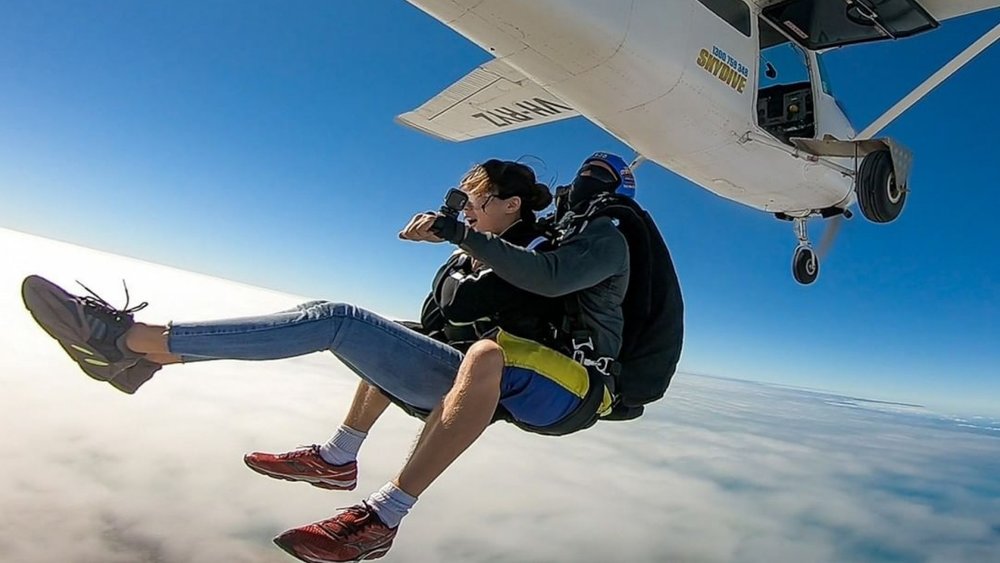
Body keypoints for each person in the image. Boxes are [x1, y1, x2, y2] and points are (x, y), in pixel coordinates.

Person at [21, 153, 647, 563]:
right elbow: (428, 336)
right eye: (463, 201)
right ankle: (332, 456)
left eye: (478, 201)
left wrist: (462, 235)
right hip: (481, 377)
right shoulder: (467, 264)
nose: (467, 209)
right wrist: (461, 248)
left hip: (546, 384)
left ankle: (130, 342)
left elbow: (544, 281)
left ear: (512, 207)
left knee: (343, 321)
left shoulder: (558, 248)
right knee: (380, 329)